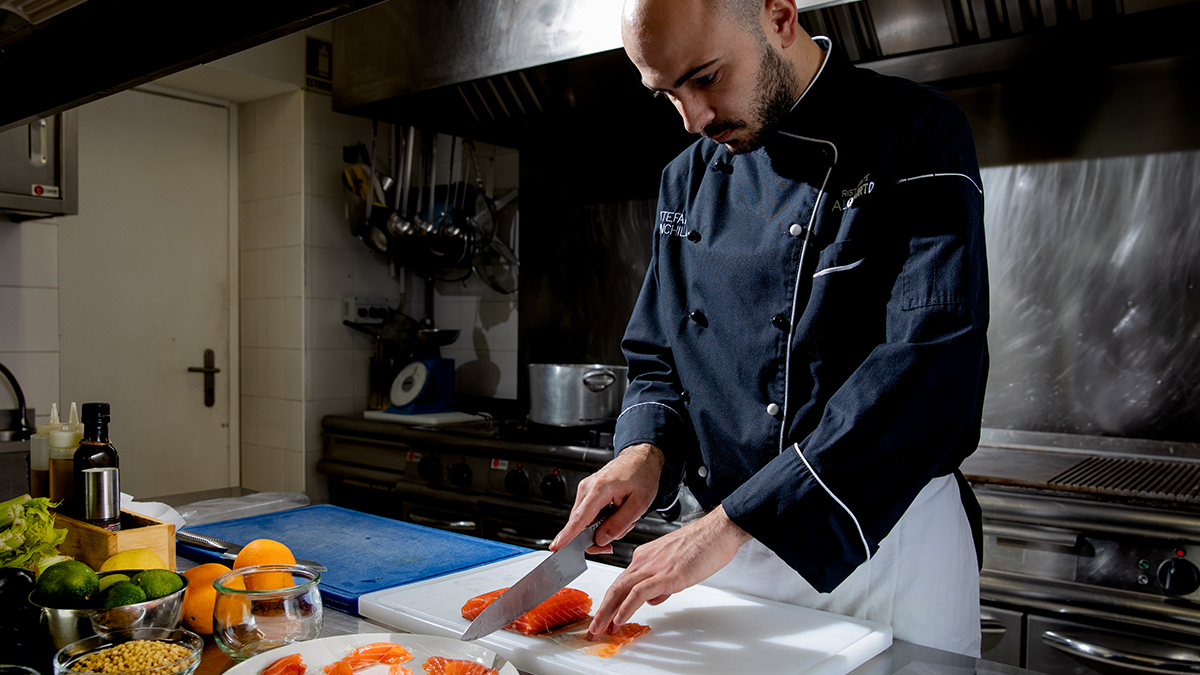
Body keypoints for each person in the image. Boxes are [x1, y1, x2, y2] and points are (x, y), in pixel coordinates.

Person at [548, 0, 990, 657]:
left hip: (881, 546)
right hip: (730, 558)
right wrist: (647, 449)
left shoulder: (918, 133)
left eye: (705, 78)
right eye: (667, 94)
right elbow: (658, 356)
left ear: (779, 17)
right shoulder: (688, 178)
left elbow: (928, 370)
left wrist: (730, 522)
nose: (693, 119)